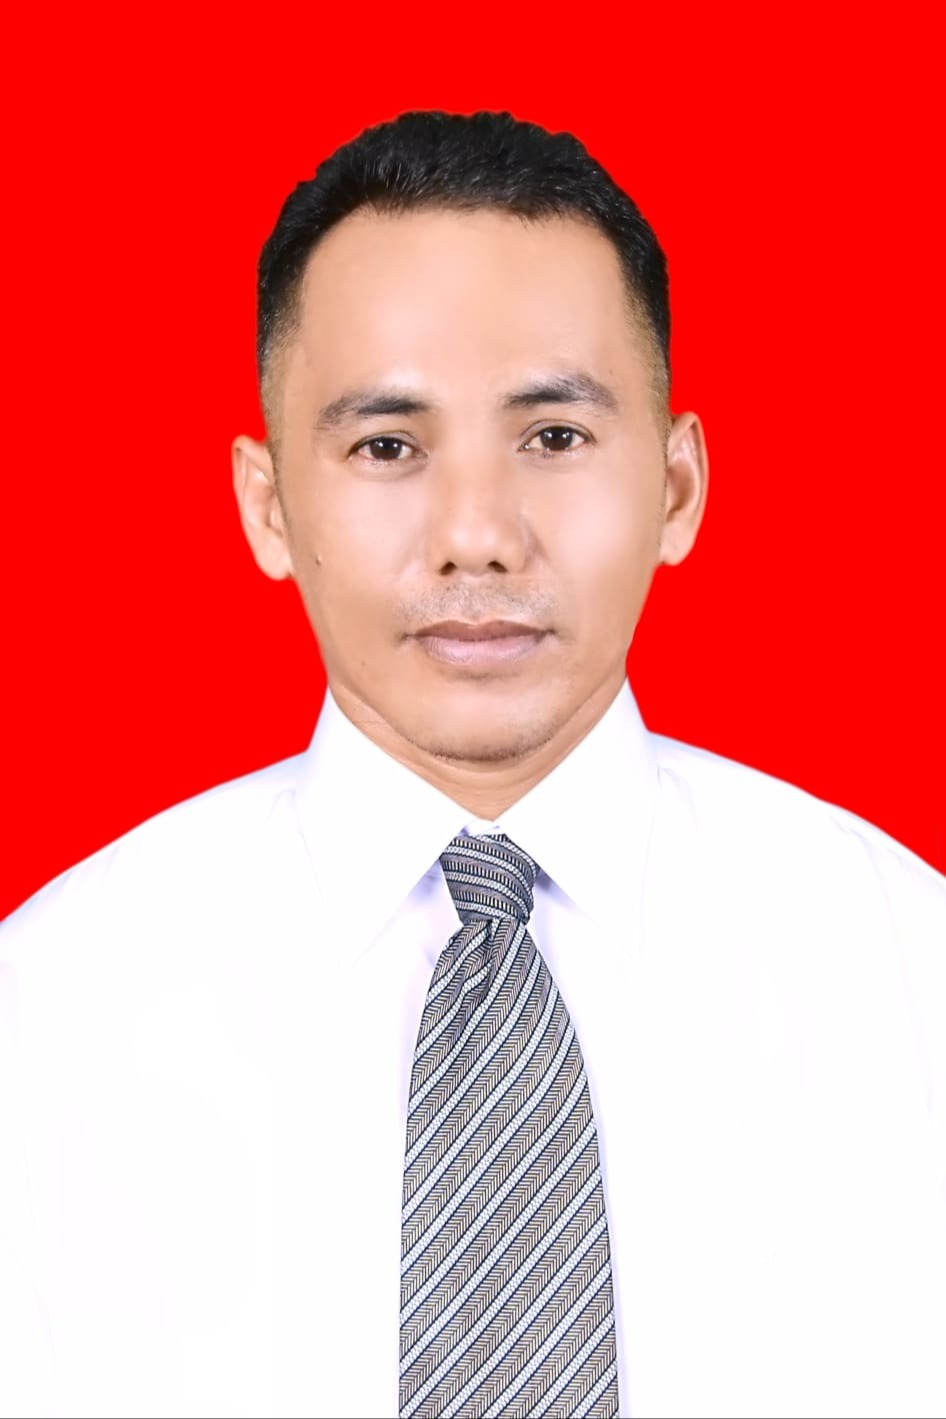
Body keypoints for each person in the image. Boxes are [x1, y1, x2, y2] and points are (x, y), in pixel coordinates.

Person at [1, 109, 944, 1419]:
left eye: (552, 437)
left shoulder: (907, 971)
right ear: (268, 506)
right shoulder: (48, 1016)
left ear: (678, 486)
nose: (477, 534)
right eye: (387, 447)